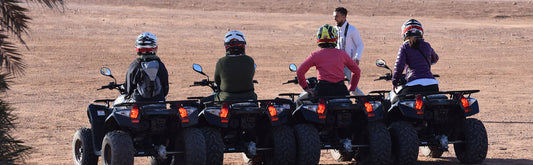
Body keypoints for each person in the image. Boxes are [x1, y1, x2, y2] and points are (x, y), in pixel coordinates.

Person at [297, 24, 361, 97]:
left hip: (322, 91)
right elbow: (356, 71)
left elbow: (300, 71)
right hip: (340, 90)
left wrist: (305, 87)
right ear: (335, 38)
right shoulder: (342, 54)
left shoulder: (315, 55)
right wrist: (352, 88)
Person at [392, 19, 439, 96]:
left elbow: (399, 66)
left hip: (413, 85)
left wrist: (395, 82)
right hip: (432, 84)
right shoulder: (427, 45)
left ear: (404, 33)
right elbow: (435, 59)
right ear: (421, 32)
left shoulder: (404, 47)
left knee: (398, 101)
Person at [213, 30, 257, 101]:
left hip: (226, 98)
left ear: (226, 46)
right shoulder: (250, 60)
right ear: (243, 45)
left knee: (203, 101)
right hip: (249, 97)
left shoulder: (221, 62)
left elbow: (217, 81)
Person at [125, 32, 169, 102]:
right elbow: (165, 89)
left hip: (138, 105)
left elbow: (128, 89)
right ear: (155, 47)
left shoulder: (135, 65)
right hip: (159, 104)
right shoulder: (160, 65)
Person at [333, 7, 365, 96]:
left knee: (353, 89)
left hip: (349, 64)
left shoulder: (352, 30)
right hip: (337, 64)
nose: (334, 19)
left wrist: (357, 58)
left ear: (343, 17)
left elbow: (360, 45)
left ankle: (366, 103)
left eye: (336, 16)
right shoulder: (334, 30)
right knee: (335, 87)